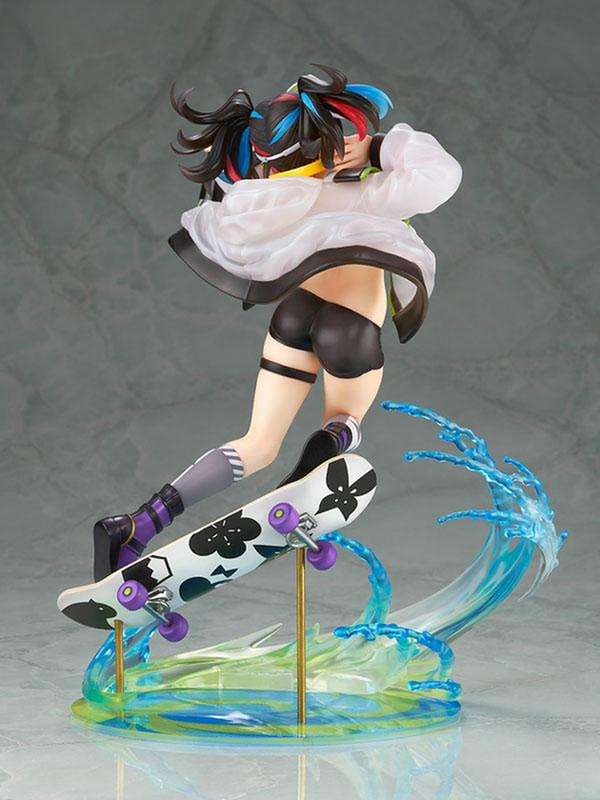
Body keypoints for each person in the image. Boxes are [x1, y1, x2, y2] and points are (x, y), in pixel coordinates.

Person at [92, 65, 462, 581]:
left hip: (295, 315)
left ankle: (137, 524)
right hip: (350, 328)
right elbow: (441, 176)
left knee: (257, 443)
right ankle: (311, 471)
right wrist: (376, 150)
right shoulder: (365, 190)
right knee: (344, 421)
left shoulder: (267, 199)